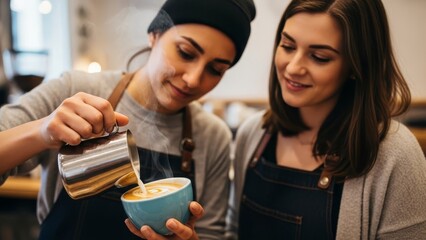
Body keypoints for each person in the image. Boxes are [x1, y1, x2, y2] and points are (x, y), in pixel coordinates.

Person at [0, 0, 256, 239]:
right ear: (154, 35)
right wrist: (42, 132)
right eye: (186, 53)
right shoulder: (74, 89)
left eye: (216, 69)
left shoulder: (212, 136)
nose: (193, 79)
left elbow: (209, 232)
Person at [226, 0, 426, 239]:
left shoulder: (396, 154)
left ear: (356, 65)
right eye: (288, 45)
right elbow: (233, 231)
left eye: (319, 57)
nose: (293, 67)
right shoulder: (254, 133)